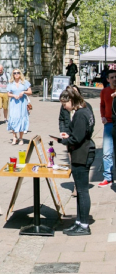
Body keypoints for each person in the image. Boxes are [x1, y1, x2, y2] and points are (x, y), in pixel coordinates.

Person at [58, 87, 95, 236]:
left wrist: (64, 140)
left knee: (82, 190)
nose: (64, 107)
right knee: (80, 190)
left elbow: (77, 138)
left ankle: (84, 225)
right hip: (85, 150)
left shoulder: (80, 114)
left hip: (82, 153)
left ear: (71, 100)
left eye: (64, 103)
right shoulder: (86, 110)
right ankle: (80, 222)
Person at [99, 70, 116, 187]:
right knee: (106, 152)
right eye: (112, 77)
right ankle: (108, 177)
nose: (115, 79)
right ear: (108, 79)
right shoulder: (104, 91)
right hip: (109, 123)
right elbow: (102, 105)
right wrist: (103, 116)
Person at [7, 69, 32, 146]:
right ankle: (14, 137)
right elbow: (8, 93)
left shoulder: (24, 82)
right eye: (15, 73)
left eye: (18, 73)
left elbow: (30, 92)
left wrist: (23, 92)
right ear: (13, 75)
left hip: (22, 103)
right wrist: (13, 95)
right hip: (14, 103)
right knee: (13, 118)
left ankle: (21, 138)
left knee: (21, 118)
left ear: (20, 74)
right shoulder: (11, 83)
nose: (16, 74)